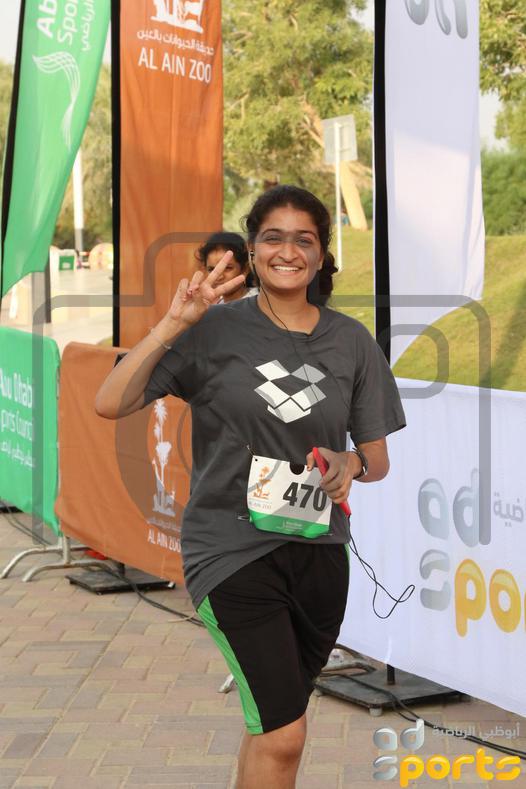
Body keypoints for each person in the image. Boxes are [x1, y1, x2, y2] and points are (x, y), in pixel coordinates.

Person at [95, 185, 406, 789]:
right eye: (273, 237)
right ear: (253, 249)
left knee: (271, 726)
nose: (288, 251)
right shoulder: (211, 330)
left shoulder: (351, 342)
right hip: (231, 550)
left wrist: (350, 464)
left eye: (304, 239)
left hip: (319, 553)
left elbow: (376, 459)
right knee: (285, 734)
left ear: (321, 254)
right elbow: (110, 401)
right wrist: (174, 323)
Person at [195, 231, 258, 303]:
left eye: (227, 268)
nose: (219, 277)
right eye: (211, 269)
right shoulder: (212, 304)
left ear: (245, 269)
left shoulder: (259, 300)